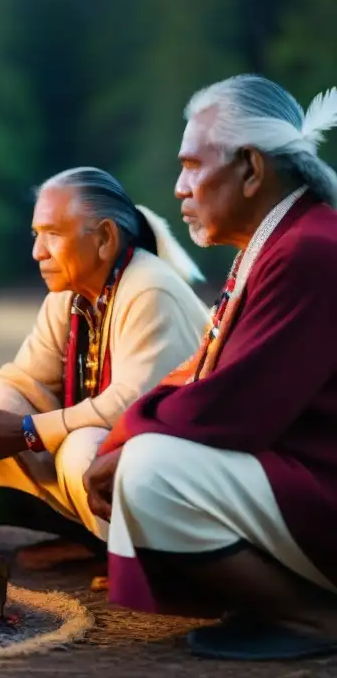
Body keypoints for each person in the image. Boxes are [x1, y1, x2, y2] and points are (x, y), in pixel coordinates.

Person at [83, 74, 337, 661]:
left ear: (250, 168)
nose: (178, 188)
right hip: (310, 471)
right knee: (128, 457)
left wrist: (128, 436)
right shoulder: (282, 240)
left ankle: (314, 618)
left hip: (325, 482)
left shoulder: (308, 249)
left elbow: (235, 407)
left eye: (193, 166)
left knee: (150, 471)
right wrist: (120, 436)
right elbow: (208, 376)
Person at [0, 167, 209, 566]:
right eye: (36, 234)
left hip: (184, 470)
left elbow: (133, 407)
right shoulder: (70, 291)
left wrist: (27, 432)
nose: (38, 251)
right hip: (122, 446)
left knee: (81, 449)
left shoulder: (149, 288)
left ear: (104, 238)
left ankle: (144, 561)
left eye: (53, 233)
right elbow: (29, 375)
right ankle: (93, 539)